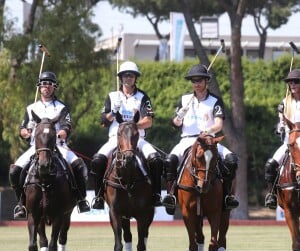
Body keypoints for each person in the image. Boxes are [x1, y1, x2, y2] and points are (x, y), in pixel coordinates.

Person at [9, 71, 91, 219]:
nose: (46, 87)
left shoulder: (61, 107)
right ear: (39, 87)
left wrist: (58, 135)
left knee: (80, 166)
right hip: (36, 147)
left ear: (54, 87)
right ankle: (21, 203)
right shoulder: (31, 108)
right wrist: (26, 133)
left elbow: (67, 127)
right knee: (14, 171)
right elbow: (22, 129)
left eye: (49, 84)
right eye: (43, 84)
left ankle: (81, 199)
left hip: (58, 146)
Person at [162, 64, 239, 215]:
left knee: (231, 160)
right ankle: (171, 196)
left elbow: (218, 124)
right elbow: (175, 124)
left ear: (206, 81)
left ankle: (228, 197)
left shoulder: (215, 101)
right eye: (193, 81)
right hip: (187, 140)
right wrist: (179, 116)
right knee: (169, 160)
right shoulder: (184, 100)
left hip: (208, 141)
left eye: (199, 80)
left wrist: (207, 131)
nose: (196, 84)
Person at [90, 61, 163, 209]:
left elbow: (148, 121)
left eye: (131, 75)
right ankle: (98, 197)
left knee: (156, 160)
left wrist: (132, 126)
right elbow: (103, 122)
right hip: (115, 139)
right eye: (125, 75)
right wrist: (113, 112)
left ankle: (156, 195)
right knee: (97, 161)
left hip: (137, 139)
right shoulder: (112, 96)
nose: (128, 78)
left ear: (136, 78)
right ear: (121, 78)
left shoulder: (143, 97)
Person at [264, 68, 300, 209]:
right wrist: (280, 126)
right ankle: (272, 194)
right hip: (289, 143)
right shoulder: (285, 102)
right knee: (270, 165)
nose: (292, 85)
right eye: (290, 82)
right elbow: (281, 120)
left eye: (296, 82)